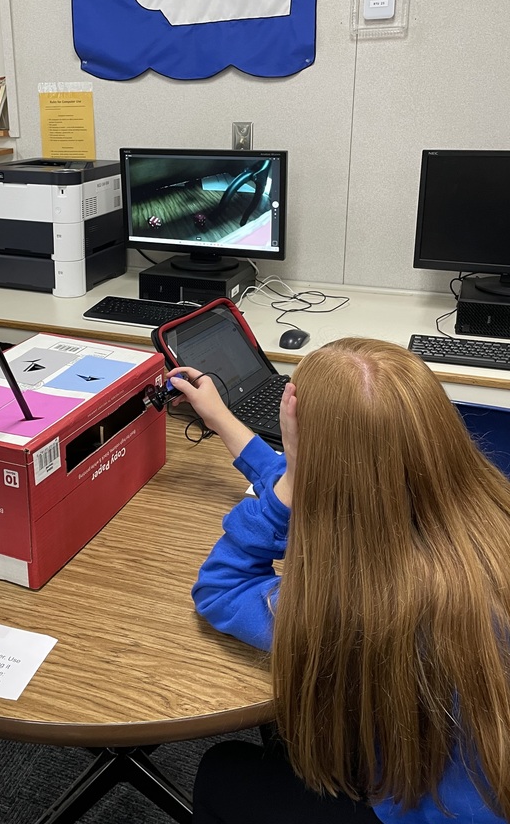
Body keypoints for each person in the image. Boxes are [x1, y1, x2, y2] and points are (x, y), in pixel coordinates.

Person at [169, 339, 510, 824]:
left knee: (222, 769)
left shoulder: (353, 608)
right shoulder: (488, 520)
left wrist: (288, 484)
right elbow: (344, 470)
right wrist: (222, 419)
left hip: (425, 807)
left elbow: (220, 588)